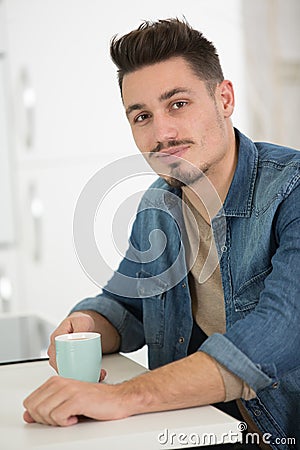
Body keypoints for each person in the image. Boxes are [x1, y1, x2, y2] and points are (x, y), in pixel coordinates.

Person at [23, 19, 299, 449]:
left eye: (178, 104)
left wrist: (121, 398)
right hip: (194, 433)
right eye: (142, 116)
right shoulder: (160, 203)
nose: (161, 134)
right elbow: (127, 305)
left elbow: (278, 333)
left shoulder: (292, 191)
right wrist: (86, 323)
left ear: (223, 98)